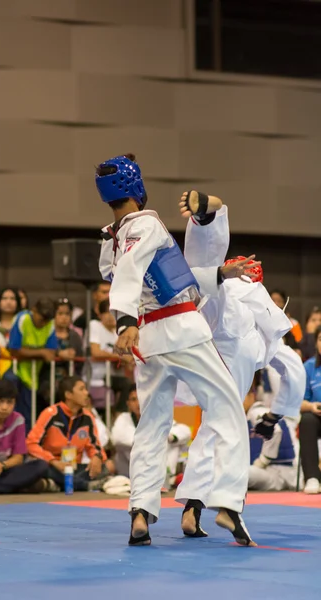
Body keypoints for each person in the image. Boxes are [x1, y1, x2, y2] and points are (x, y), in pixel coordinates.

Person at [96, 153, 257, 547]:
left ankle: (140, 513)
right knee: (227, 410)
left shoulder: (109, 240)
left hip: (149, 340)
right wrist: (123, 322)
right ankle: (227, 503)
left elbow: (162, 278)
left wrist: (220, 273)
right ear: (137, 187)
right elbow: (137, 271)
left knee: (151, 426)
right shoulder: (148, 223)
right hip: (181, 328)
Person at [177, 200, 305, 530]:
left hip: (206, 361)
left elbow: (205, 275)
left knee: (211, 430)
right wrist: (276, 415)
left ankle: (193, 507)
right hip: (230, 365)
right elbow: (293, 368)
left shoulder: (226, 295)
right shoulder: (258, 300)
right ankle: (229, 507)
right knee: (228, 433)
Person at [26, 376, 108, 492]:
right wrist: (54, 461)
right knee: (41, 468)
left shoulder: (88, 417)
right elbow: (30, 444)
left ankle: (55, 485)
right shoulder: (50, 414)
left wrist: (97, 457)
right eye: (82, 389)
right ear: (68, 395)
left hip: (73, 467)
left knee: (104, 467)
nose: (87, 393)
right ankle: (84, 486)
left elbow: (95, 446)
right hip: (52, 465)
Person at [111, 384, 191, 479]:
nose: (138, 403)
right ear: (128, 404)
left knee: (170, 441)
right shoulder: (124, 418)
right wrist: (151, 439)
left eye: (141, 398)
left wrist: (169, 437)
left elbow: (186, 432)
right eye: (133, 399)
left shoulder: (158, 417)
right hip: (131, 471)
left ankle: (166, 477)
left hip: (158, 468)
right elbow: (117, 438)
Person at [6, 297, 57, 431]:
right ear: (33, 310)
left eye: (47, 321)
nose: (43, 324)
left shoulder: (50, 324)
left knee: (27, 417)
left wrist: (42, 353)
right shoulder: (22, 319)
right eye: (41, 319)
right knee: (11, 411)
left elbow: (51, 352)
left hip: (32, 376)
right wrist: (41, 352)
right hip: (13, 371)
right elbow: (14, 351)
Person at [246, 372, 300, 492]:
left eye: (242, 397)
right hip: (273, 473)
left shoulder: (256, 412)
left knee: (239, 473)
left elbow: (276, 429)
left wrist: (263, 460)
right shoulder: (244, 418)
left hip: (278, 472)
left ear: (252, 396)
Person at [89, 299, 132, 412]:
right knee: (126, 384)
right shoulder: (95, 325)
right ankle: (119, 415)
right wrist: (119, 357)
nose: (110, 316)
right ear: (100, 315)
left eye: (114, 313)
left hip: (113, 375)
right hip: (97, 375)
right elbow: (96, 352)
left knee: (133, 385)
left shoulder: (118, 333)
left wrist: (125, 361)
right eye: (107, 312)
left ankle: (119, 416)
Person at [299, 325, 321, 494]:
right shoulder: (309, 367)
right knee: (306, 420)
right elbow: (299, 401)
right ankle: (312, 477)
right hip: (317, 416)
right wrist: (311, 406)